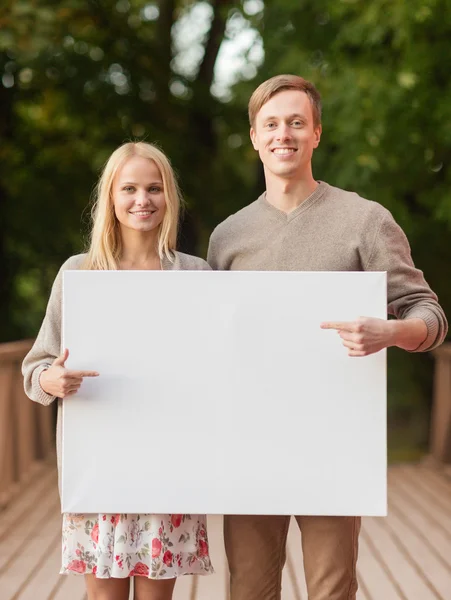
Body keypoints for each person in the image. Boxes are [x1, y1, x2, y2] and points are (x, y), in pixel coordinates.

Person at [207, 74, 448, 600]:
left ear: (316, 132)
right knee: (248, 588)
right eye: (270, 124)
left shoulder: (365, 220)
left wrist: (391, 331)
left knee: (332, 588)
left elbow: (430, 316)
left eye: (296, 122)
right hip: (251, 442)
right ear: (253, 136)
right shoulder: (227, 237)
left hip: (336, 440)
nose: (283, 134)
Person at [22, 141, 213, 600]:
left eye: (154, 188)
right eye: (129, 188)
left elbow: (214, 375)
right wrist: (51, 379)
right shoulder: (79, 274)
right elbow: (36, 367)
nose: (142, 200)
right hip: (101, 471)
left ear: (170, 198)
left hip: (170, 470)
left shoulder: (197, 275)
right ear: (111, 197)